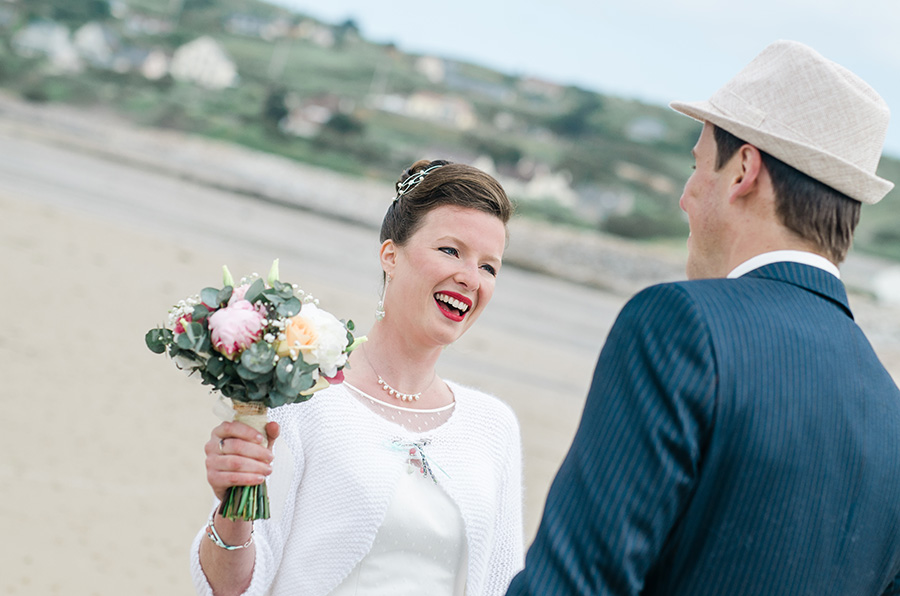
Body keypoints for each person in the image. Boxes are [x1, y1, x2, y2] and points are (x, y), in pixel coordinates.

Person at [506, 40, 900, 596]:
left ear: (743, 169)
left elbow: (575, 584)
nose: (687, 198)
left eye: (697, 166)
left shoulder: (680, 326)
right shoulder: (891, 413)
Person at [192, 159, 524, 596]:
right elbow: (229, 589)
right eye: (450, 250)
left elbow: (503, 582)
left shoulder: (492, 425)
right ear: (391, 254)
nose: (469, 278)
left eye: (489, 267)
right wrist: (233, 508)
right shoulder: (303, 397)